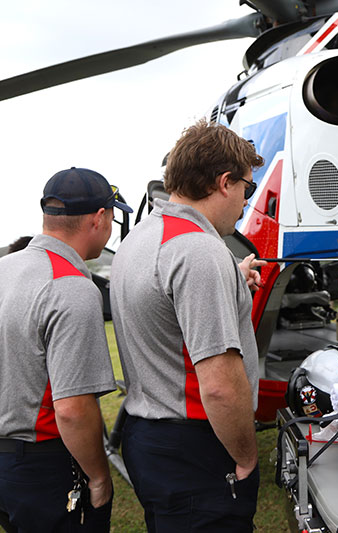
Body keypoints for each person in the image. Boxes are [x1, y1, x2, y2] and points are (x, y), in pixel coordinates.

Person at [110, 119, 266, 531]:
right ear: (225, 182)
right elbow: (218, 385)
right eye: (247, 189)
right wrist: (248, 457)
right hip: (195, 445)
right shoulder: (199, 252)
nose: (246, 202)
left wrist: (231, 278)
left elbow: (164, 307)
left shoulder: (141, 240)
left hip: (148, 437)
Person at [0, 168, 132, 531]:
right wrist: (99, 477)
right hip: (41, 460)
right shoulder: (71, 286)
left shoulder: (3, 268)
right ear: (99, 218)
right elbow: (72, 409)